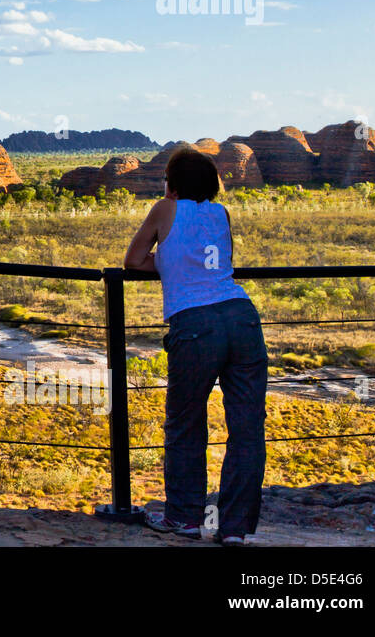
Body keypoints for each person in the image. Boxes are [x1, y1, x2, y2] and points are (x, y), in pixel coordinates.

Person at [123, 147, 266, 546]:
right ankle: (235, 529)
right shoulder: (221, 214)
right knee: (247, 429)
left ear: (172, 183)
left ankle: (185, 519)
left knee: (186, 423)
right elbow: (220, 266)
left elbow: (133, 260)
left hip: (196, 324)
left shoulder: (164, 209)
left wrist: (168, 265)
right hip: (241, 317)